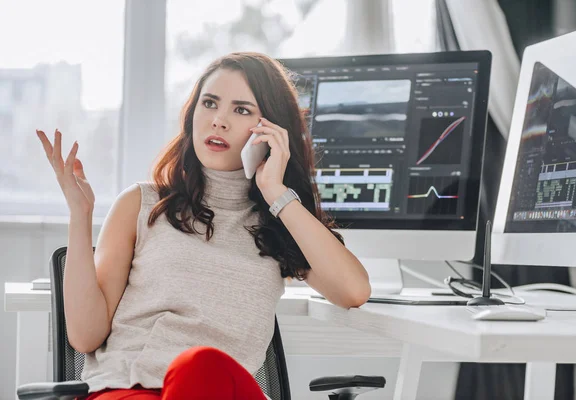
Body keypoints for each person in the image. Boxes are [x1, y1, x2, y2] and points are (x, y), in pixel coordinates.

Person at [36, 52, 370, 399]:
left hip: (219, 387)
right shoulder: (142, 204)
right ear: (192, 114)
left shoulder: (278, 224)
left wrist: (276, 191)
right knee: (196, 366)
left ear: (271, 129)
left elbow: (353, 291)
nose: (219, 121)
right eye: (210, 103)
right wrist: (81, 214)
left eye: (241, 110)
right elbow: (85, 336)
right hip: (126, 389)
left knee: (201, 366)